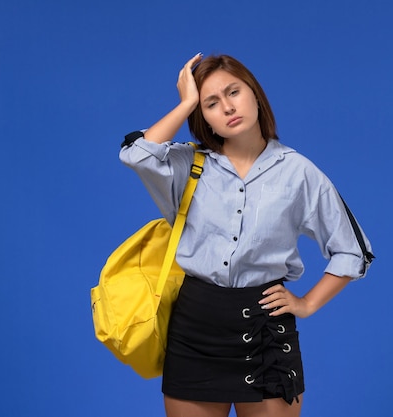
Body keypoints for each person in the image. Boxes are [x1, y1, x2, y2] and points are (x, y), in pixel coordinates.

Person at [119, 52, 373, 417]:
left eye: (233, 92)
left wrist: (307, 303)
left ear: (254, 93)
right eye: (211, 103)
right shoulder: (188, 162)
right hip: (195, 329)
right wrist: (187, 101)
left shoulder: (299, 172)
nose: (227, 107)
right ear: (202, 116)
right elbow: (135, 154)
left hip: (266, 329)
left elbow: (353, 250)